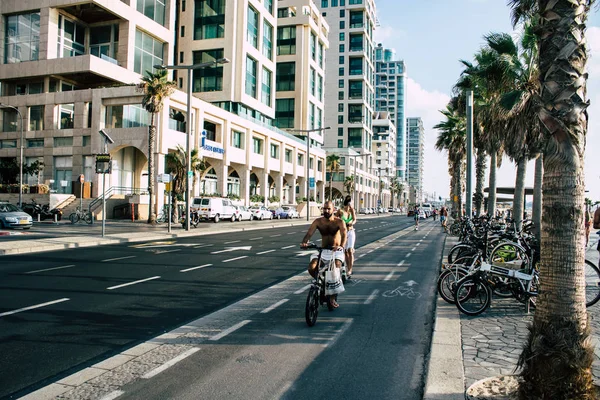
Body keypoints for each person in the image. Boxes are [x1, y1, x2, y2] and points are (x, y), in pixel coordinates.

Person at [301, 200, 347, 309]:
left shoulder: (339, 222)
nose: (326, 210)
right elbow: (309, 233)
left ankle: (332, 297)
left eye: (328, 209)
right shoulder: (318, 222)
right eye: (324, 208)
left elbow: (344, 233)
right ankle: (322, 283)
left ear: (333, 209)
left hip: (336, 252)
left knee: (335, 269)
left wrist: (341, 246)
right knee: (312, 267)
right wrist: (304, 242)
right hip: (323, 251)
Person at [337, 195, 357, 279]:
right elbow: (336, 218)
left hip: (351, 231)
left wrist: (352, 223)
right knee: (344, 251)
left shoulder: (352, 211)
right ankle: (345, 268)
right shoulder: (340, 211)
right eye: (350, 203)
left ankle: (350, 269)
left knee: (350, 250)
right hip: (343, 232)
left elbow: (355, 219)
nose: (350, 205)